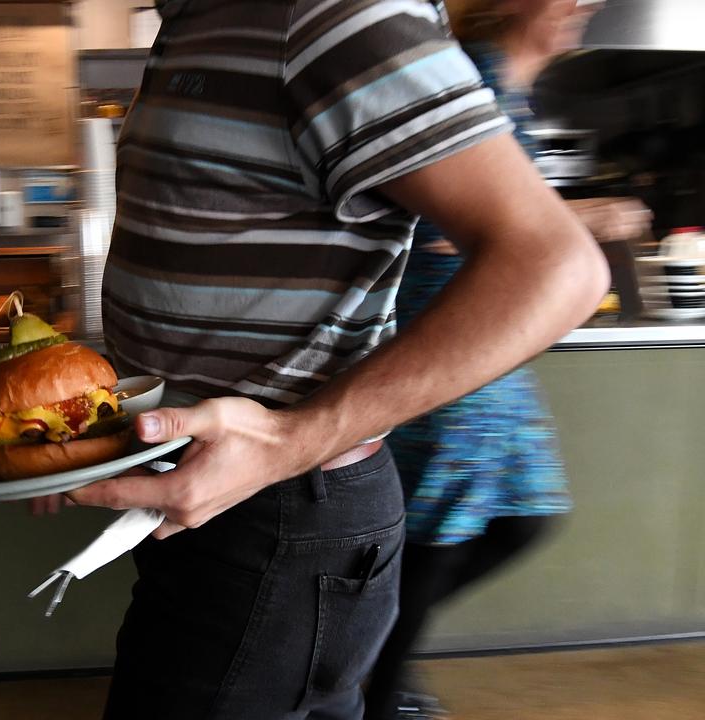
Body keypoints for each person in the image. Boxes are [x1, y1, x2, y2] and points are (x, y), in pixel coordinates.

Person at [66, 1, 610, 718]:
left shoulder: (333, 13)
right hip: (220, 503)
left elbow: (555, 267)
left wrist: (294, 439)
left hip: (276, 514)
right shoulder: (204, 17)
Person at [362, 2, 652, 717]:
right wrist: (586, 217)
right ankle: (376, 687)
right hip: (457, 352)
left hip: (499, 360)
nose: (585, 7)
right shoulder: (478, 86)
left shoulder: (506, 91)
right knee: (443, 529)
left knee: (524, 518)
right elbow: (444, 227)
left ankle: (368, 649)